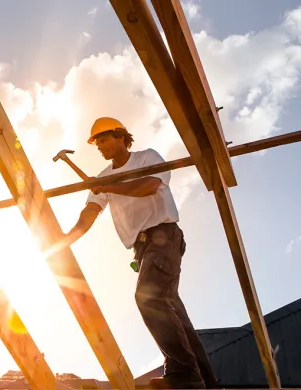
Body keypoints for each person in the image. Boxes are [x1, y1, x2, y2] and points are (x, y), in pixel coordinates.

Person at [61, 117, 217, 389]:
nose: (99, 146)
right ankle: (204, 381)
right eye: (96, 142)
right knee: (174, 313)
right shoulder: (103, 178)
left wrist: (106, 186)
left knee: (149, 298)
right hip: (143, 248)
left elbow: (148, 187)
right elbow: (90, 212)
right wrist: (65, 240)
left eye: (104, 139)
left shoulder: (147, 158)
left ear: (121, 137)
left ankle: (183, 375)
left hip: (164, 237)